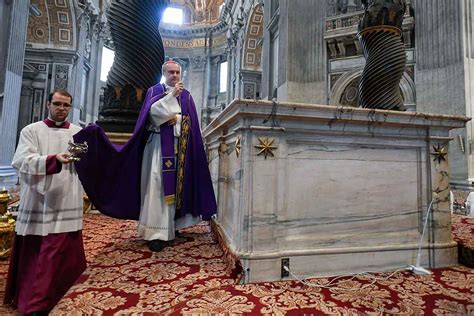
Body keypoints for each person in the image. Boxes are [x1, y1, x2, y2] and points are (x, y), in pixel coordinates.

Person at [73, 59, 217, 251]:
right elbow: (151, 116)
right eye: (171, 72)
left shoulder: (187, 96)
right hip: (157, 146)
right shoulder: (154, 91)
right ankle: (155, 233)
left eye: (177, 73)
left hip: (178, 149)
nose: (174, 76)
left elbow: (190, 123)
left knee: (176, 187)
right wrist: (171, 98)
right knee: (156, 187)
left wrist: (178, 120)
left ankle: (172, 227)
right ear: (163, 73)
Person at [4, 89, 86, 315]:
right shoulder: (31, 130)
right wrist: (53, 160)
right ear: (48, 104)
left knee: (62, 248)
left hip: (68, 195)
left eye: (66, 105)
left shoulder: (78, 133)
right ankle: (36, 301)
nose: (62, 109)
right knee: (39, 250)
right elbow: (21, 160)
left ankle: (63, 293)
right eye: (57, 104)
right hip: (39, 197)